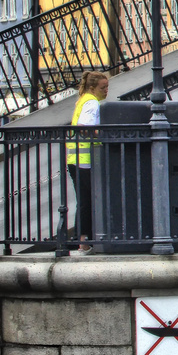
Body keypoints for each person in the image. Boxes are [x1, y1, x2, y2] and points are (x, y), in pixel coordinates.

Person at [66, 70, 110, 247]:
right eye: (103, 87)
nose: (106, 90)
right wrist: (103, 135)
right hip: (86, 160)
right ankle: (85, 240)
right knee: (91, 200)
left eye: (107, 87)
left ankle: (83, 240)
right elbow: (84, 128)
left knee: (84, 201)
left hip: (75, 159)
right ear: (93, 87)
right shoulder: (92, 103)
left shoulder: (83, 100)